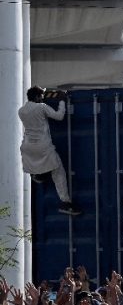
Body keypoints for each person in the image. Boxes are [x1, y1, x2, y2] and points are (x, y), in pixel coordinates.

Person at [19, 87, 80, 215]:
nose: (42, 99)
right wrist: (62, 100)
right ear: (37, 97)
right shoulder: (41, 107)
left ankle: (39, 174)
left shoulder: (21, 111)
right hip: (42, 146)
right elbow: (59, 116)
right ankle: (65, 202)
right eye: (41, 96)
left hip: (28, 147)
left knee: (38, 164)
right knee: (58, 171)